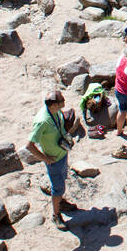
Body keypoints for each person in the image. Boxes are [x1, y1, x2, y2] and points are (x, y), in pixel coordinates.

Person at [28, 89, 80, 231]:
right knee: (57, 188)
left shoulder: (55, 112)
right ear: (53, 105)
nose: (64, 102)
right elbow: (29, 146)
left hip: (62, 154)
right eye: (61, 101)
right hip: (54, 160)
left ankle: (61, 202)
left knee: (62, 180)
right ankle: (56, 215)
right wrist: (45, 159)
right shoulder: (42, 121)